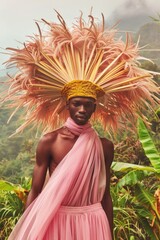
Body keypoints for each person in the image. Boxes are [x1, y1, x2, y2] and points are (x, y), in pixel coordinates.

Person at [2, 11, 159, 240]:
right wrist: (29, 229)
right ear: (68, 104)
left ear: (95, 107)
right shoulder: (50, 141)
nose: (82, 110)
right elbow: (35, 191)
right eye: (77, 104)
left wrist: (109, 231)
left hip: (93, 222)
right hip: (57, 219)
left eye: (88, 105)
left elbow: (105, 195)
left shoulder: (104, 146)